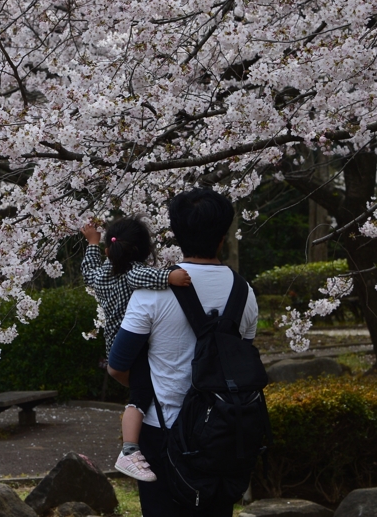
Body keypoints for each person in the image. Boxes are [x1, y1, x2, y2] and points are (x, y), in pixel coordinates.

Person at [107, 189, 259, 517]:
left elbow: (117, 367)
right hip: (223, 432)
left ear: (176, 235)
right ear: (223, 237)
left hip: (162, 431)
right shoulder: (245, 293)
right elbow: (239, 364)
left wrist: (141, 390)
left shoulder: (152, 293)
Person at [80, 216, 192, 482]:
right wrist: (170, 276)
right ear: (143, 250)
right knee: (140, 397)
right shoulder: (132, 273)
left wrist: (92, 242)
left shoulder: (101, 274)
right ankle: (129, 450)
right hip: (135, 344)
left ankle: (130, 447)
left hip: (115, 344)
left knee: (141, 390)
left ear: (110, 250)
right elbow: (147, 275)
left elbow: (88, 270)